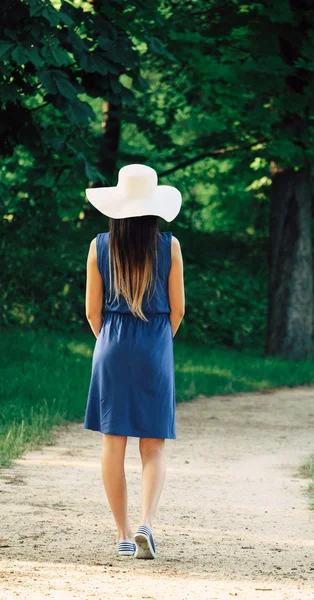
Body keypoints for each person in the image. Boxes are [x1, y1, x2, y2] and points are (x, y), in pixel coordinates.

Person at [83, 164, 185, 559]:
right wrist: (156, 347)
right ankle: (146, 523)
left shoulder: (98, 246)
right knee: (153, 444)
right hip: (155, 345)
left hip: (111, 345)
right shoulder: (169, 246)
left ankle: (123, 533)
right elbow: (177, 310)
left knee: (113, 442)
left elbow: (93, 313)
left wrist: (110, 344)